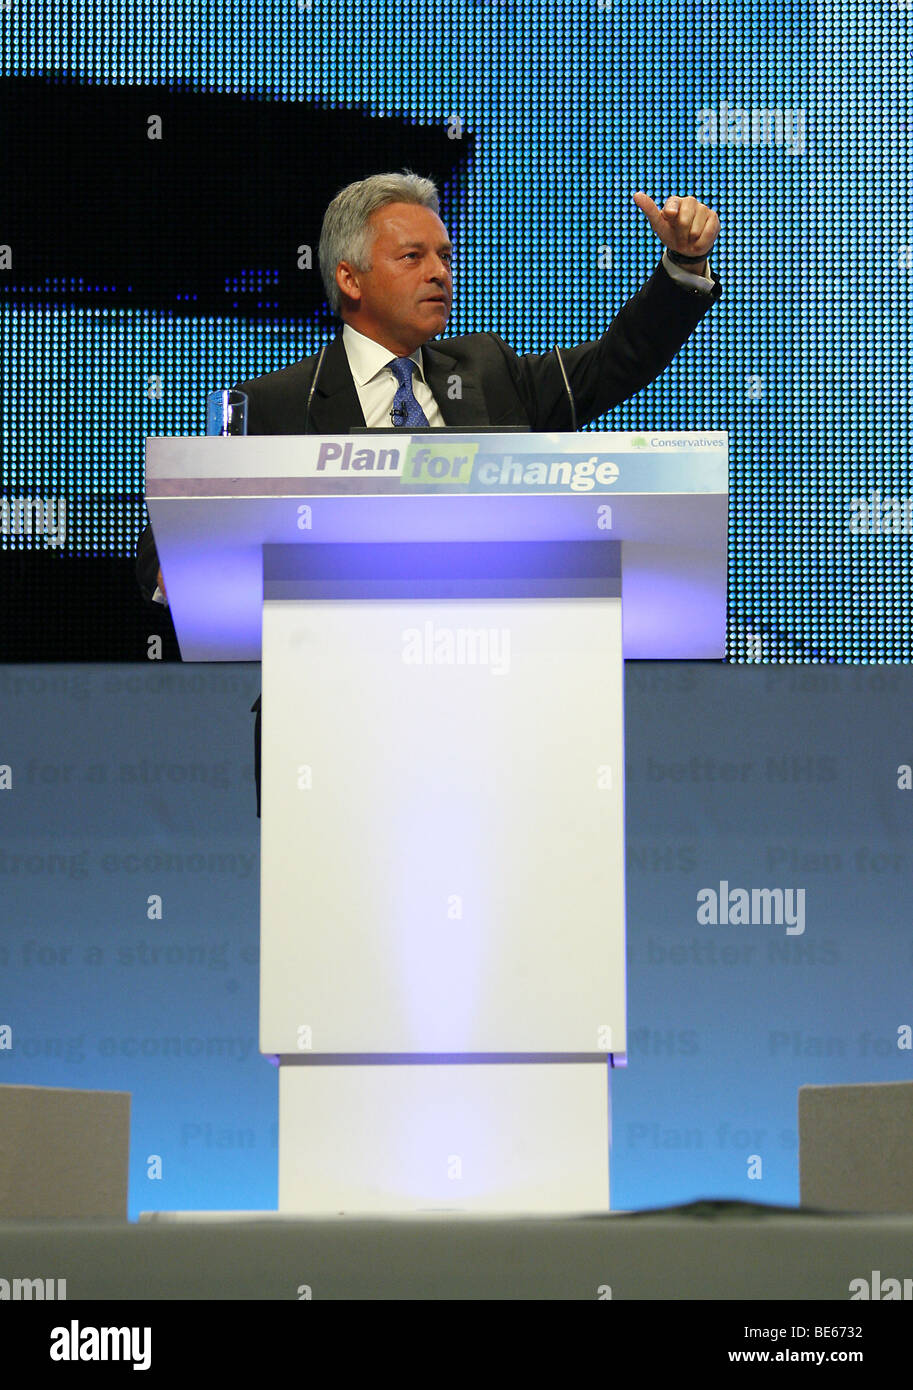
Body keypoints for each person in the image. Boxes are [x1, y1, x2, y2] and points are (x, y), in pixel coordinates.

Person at [136, 170, 722, 816]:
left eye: (444, 255)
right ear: (349, 278)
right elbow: (166, 562)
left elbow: (620, 359)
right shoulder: (274, 404)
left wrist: (682, 263)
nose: (440, 272)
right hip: (330, 738)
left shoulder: (491, 374)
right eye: (412, 257)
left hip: (498, 723)